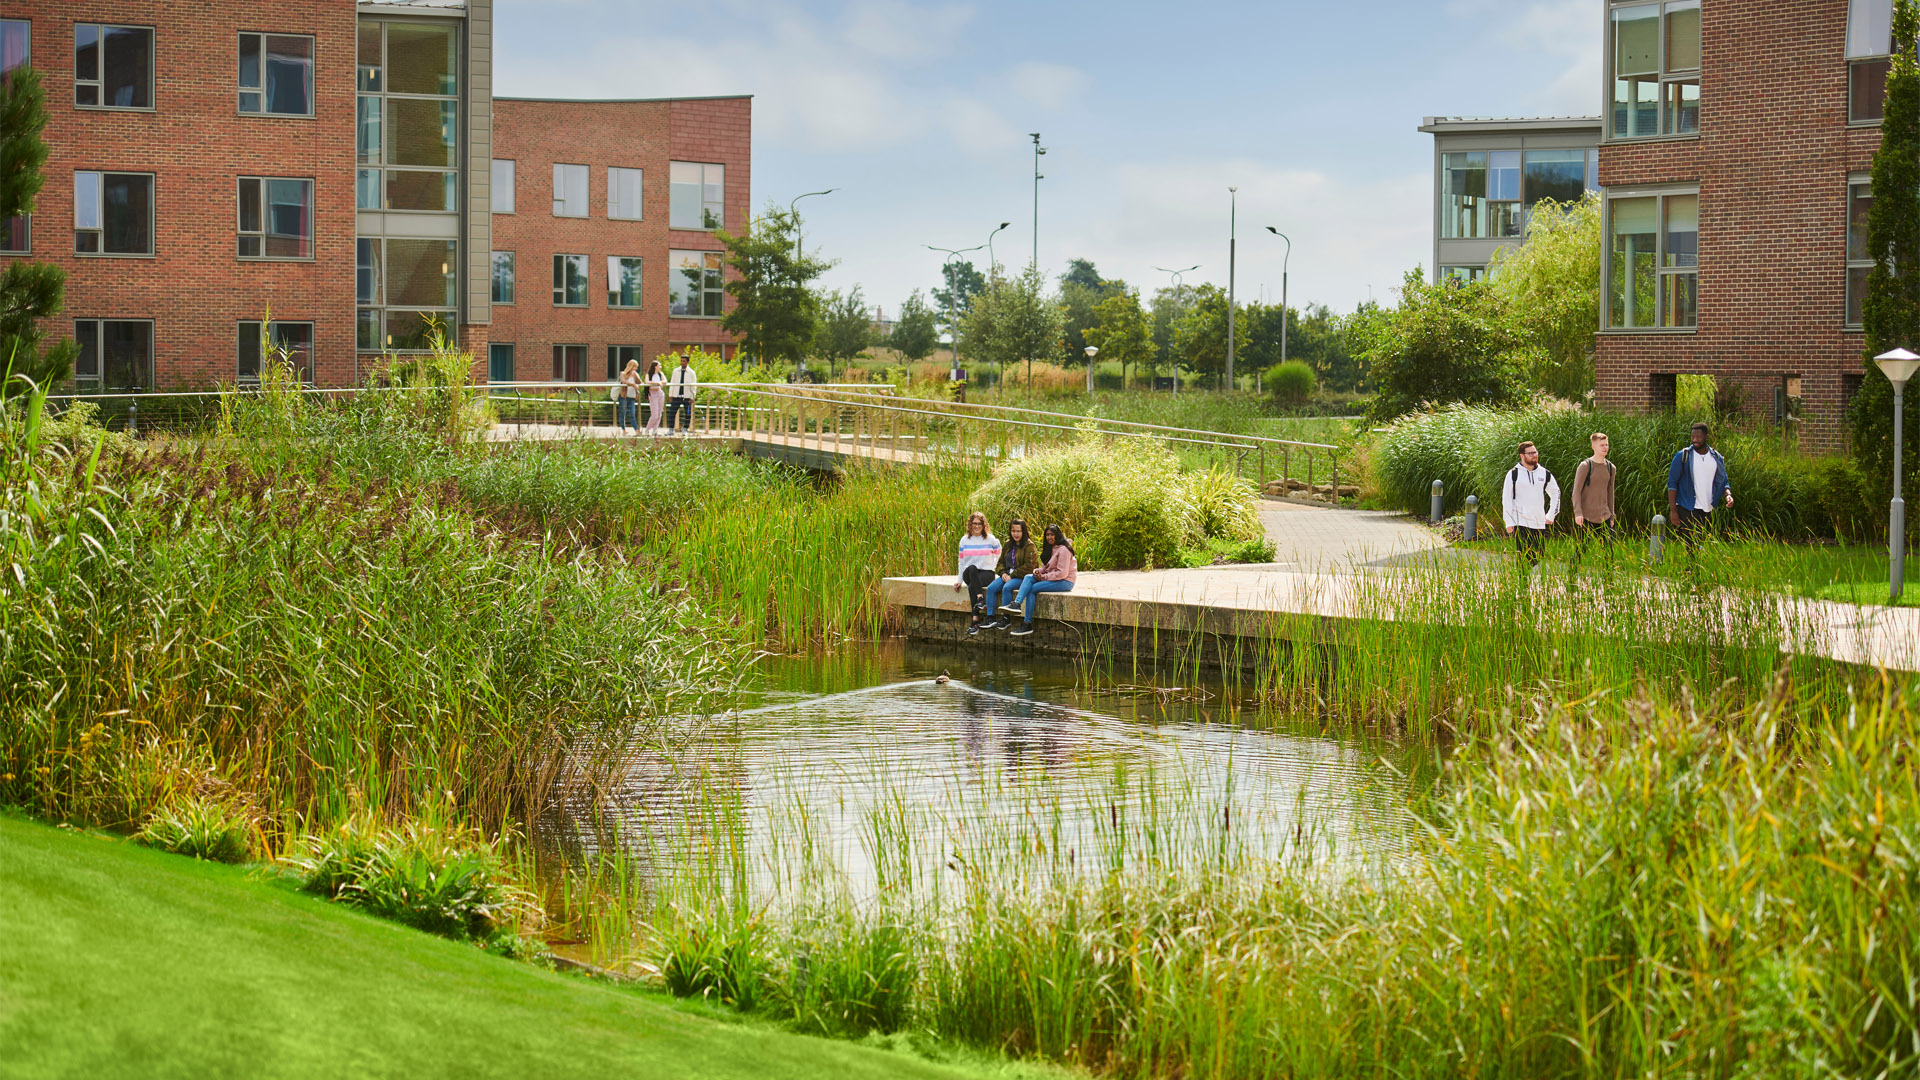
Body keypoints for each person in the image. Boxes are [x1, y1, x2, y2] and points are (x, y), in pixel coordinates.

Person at [1666, 421, 1734, 550]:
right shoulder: (1683, 456)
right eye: (1693, 437)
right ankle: (1692, 568)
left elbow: (1723, 481)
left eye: (1698, 437)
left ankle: (1696, 567)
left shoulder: (1716, 458)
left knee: (1700, 540)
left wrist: (1728, 495)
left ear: (1706, 437)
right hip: (1687, 505)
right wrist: (1673, 511)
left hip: (1708, 507)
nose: (1695, 440)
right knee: (1692, 540)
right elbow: (1672, 484)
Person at [1006, 525, 1076, 636]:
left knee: (1032, 589)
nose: (1049, 537)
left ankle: (1027, 623)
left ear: (1057, 535)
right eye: (1047, 535)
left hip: (1065, 582)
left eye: (1052, 534)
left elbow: (1062, 573)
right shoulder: (1050, 548)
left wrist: (1043, 577)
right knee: (1028, 577)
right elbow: (1044, 568)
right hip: (1053, 578)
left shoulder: (1064, 550)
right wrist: (1037, 572)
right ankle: (1017, 604)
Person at [1502, 440, 1560, 568]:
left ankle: (1521, 577)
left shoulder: (1545, 474)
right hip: (1520, 521)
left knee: (1538, 555)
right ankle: (1522, 583)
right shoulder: (1513, 474)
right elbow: (1506, 499)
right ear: (1522, 456)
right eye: (1531, 453)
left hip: (1539, 521)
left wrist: (1551, 515)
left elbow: (1556, 493)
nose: (1535, 455)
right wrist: (1509, 521)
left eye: (1535, 452)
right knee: (1523, 555)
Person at [978, 519, 1035, 629]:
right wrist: (1003, 573)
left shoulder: (1029, 545)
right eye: (1013, 531)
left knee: (1007, 587)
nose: (1016, 534)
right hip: (1007, 574)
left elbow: (1029, 567)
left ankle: (1006, 618)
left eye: (1018, 531)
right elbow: (1000, 563)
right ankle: (990, 618)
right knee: (991, 588)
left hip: (1021, 576)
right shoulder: (1008, 544)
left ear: (1023, 532)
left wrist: (1012, 576)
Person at [952, 511, 1001, 634]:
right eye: (974, 523)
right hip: (970, 573)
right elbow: (961, 562)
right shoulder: (964, 540)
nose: (977, 526)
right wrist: (959, 580)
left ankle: (975, 621)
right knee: (972, 568)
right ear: (970, 524)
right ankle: (980, 599)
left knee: (973, 586)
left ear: (984, 525)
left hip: (986, 573)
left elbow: (999, 553)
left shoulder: (991, 539)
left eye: (979, 523)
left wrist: (993, 565)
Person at [1570, 431, 1618, 547]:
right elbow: (1576, 491)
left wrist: (1611, 515)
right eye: (1602, 445)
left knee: (1608, 551)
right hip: (1586, 517)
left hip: (1604, 516)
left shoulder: (1611, 468)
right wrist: (1578, 513)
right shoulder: (1585, 466)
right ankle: (1574, 566)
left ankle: (1608, 566)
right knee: (1580, 551)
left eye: (1606, 444)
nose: (1605, 447)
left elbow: (1610, 493)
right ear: (1593, 447)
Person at [664, 354, 698, 433]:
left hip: (687, 397)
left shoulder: (691, 373)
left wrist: (692, 397)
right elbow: (672, 383)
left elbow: (693, 386)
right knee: (672, 413)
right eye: (681, 361)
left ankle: (685, 429)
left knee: (688, 414)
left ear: (687, 362)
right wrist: (670, 395)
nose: (682, 362)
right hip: (676, 396)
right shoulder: (676, 371)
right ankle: (671, 430)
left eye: (684, 361)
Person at [616, 358, 642, 432]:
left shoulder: (634, 374)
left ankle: (636, 430)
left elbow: (640, 382)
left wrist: (636, 375)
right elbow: (623, 381)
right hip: (624, 396)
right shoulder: (623, 373)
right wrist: (633, 384)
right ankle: (623, 429)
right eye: (635, 367)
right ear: (631, 366)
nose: (636, 368)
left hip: (632, 397)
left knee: (632, 414)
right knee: (623, 413)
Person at [643, 359, 667, 434]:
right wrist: (656, 383)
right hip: (652, 394)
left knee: (659, 413)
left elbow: (665, 381)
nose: (660, 367)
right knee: (654, 414)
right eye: (659, 365)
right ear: (655, 366)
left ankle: (655, 429)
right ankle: (647, 428)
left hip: (659, 393)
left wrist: (660, 383)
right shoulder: (649, 374)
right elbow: (647, 382)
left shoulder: (660, 374)